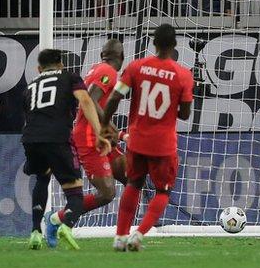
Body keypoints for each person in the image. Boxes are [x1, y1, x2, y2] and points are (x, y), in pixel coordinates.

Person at [101, 24, 194, 251]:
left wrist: (103, 123)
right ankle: (138, 235)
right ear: (174, 45)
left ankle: (120, 237)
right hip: (163, 145)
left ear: (154, 43)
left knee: (133, 183)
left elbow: (114, 98)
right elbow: (184, 114)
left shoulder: (135, 67)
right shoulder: (183, 75)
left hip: (137, 140)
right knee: (162, 191)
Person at [22, 49, 111, 250]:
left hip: (30, 139)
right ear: (61, 64)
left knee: (42, 178)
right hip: (57, 138)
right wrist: (99, 133)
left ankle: (35, 232)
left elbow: (27, 115)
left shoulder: (30, 86)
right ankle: (67, 225)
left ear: (39, 68)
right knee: (75, 193)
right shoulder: (69, 77)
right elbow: (86, 100)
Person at [43, 39, 128, 248]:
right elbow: (89, 99)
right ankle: (56, 219)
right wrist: (109, 126)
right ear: (122, 57)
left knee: (131, 176)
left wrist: (114, 131)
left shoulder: (98, 68)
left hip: (99, 135)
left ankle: (128, 233)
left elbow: (93, 102)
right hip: (90, 138)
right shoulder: (108, 71)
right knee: (107, 193)